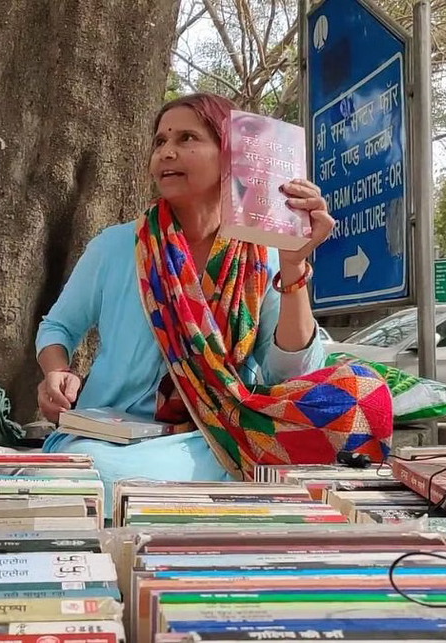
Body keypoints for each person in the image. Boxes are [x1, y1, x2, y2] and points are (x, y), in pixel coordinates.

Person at [34, 93, 392, 491]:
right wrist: (56, 372)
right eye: (160, 141)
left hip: (218, 434)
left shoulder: (262, 253)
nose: (167, 152)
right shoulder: (117, 246)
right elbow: (57, 328)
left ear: (232, 157)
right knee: (93, 471)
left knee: (366, 393)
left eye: (187, 138)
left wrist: (293, 268)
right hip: (110, 437)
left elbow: (291, 374)